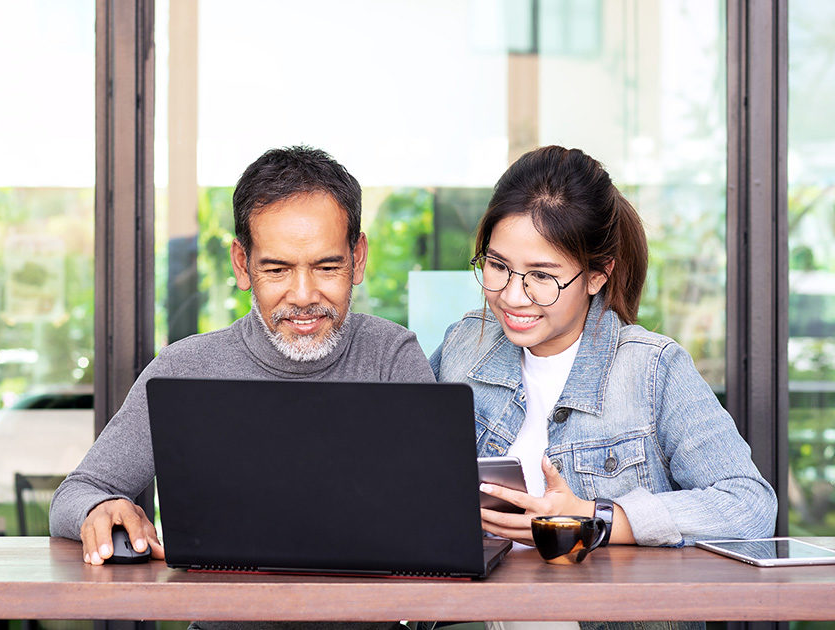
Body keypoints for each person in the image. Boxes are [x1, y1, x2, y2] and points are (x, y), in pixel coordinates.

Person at [49, 146, 433, 629]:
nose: (303, 295)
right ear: (241, 264)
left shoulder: (392, 357)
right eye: (276, 270)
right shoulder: (185, 368)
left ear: (357, 259)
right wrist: (102, 506)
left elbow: (435, 518)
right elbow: (76, 492)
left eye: (326, 266)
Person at [430, 145, 776, 551]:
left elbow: (749, 505)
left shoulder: (652, 370)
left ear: (597, 275)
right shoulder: (463, 344)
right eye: (498, 266)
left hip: (599, 595)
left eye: (541, 276)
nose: (512, 296)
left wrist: (594, 519)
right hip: (483, 590)